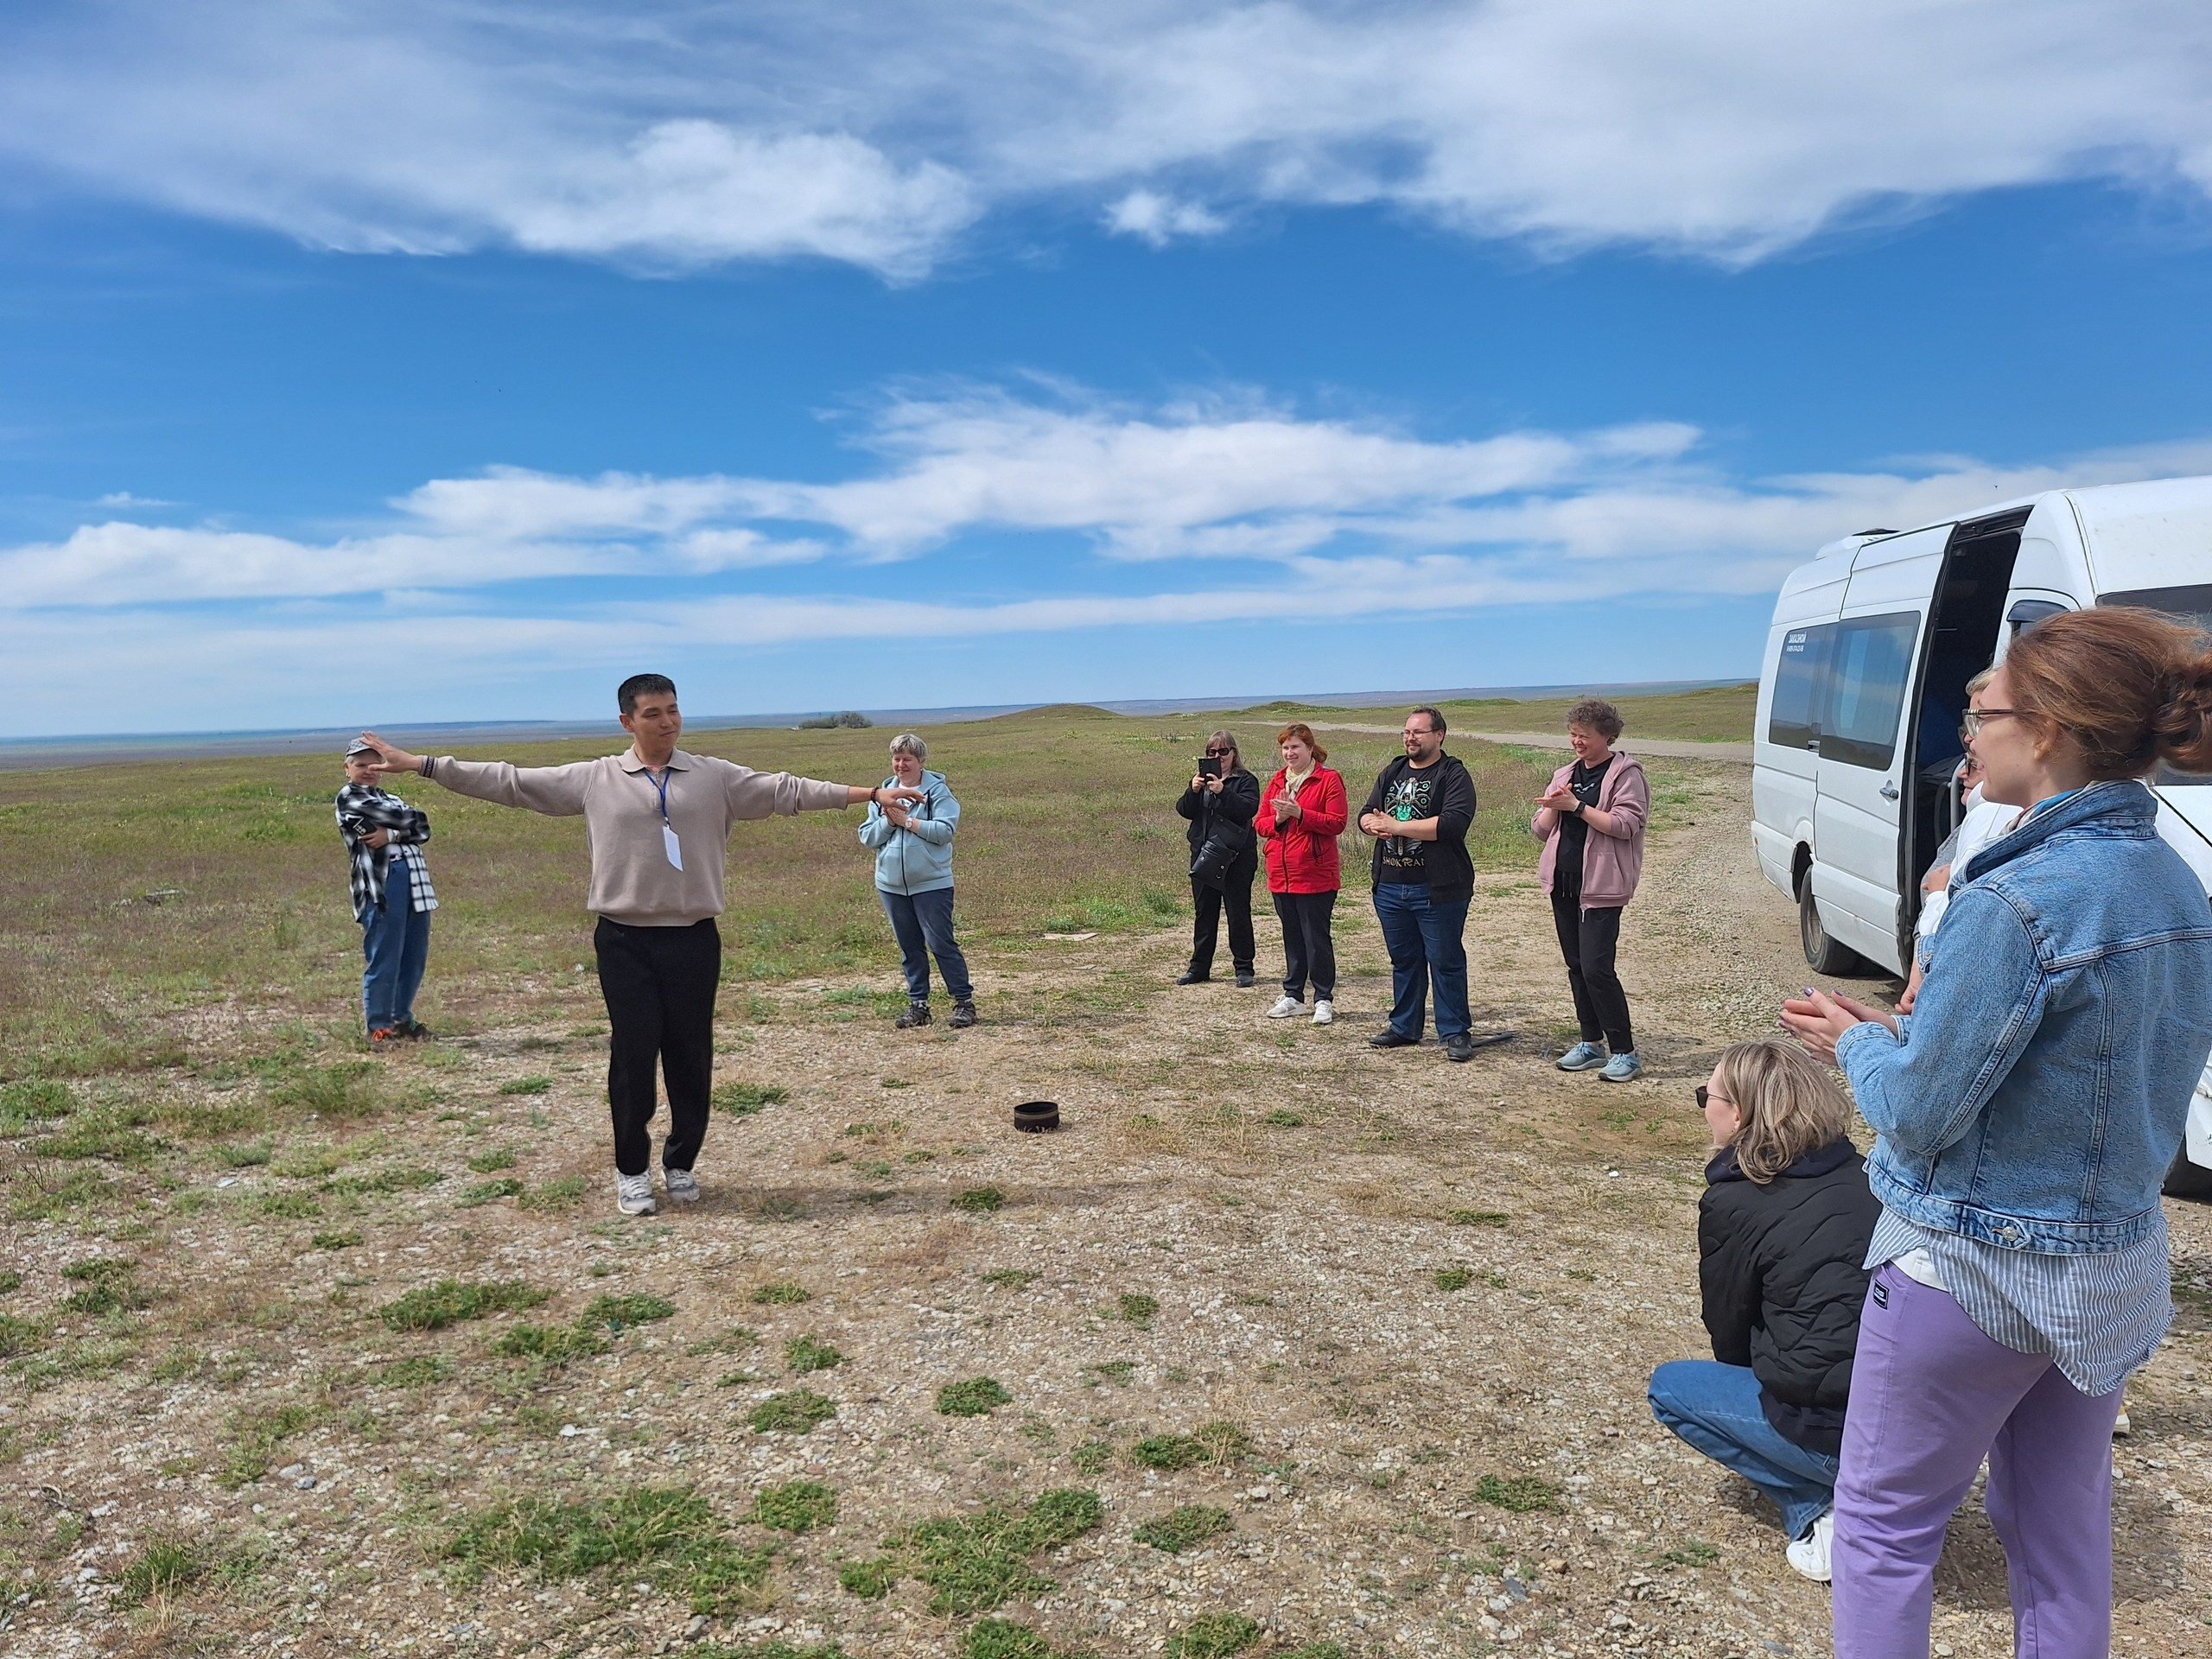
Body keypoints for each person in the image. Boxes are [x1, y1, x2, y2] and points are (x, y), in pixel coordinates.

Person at [1780, 608, 2212, 1658]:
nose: (1964, 739)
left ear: (2051, 726)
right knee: (2061, 1536)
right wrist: (1906, 1036)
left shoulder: (2011, 897)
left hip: (1963, 1274)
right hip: (2108, 1268)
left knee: (1883, 1534)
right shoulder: (2175, 884)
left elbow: (1921, 1112)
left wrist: (1860, 1048)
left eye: (1981, 713)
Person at [358, 674, 920, 1218]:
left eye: (673, 709)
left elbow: (786, 791)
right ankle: (632, 1172)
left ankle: (681, 1163)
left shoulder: (713, 777)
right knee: (632, 1057)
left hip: (694, 939)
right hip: (624, 940)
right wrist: (425, 765)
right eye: (653, 713)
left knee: (690, 1054)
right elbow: (511, 781)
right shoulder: (597, 778)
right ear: (628, 720)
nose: (667, 721)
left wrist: (870, 793)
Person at [1647, 1039, 1878, 1585]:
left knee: (1670, 1389)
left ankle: (1820, 1507)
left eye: (1707, 1094)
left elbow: (1727, 1333)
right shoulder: (1868, 1175)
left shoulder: (1737, 1199)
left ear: (1741, 1112)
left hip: (1841, 1438)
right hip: (1922, 1429)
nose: (1705, 1105)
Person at [1531, 698, 1649, 1082]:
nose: (1576, 742)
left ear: (1607, 736)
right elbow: (1540, 829)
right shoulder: (1564, 772)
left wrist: (1577, 806)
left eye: (1584, 735)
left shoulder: (1626, 774)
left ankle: (1625, 1052)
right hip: (1563, 883)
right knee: (1577, 967)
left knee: (1598, 968)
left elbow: (1625, 825)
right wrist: (1553, 806)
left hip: (1601, 887)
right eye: (1573, 734)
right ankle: (1590, 1043)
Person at [1357, 706, 1480, 1060]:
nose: (1410, 738)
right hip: (1392, 885)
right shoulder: (1393, 771)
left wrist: (1397, 827)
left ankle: (1455, 1032)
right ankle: (1404, 1027)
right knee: (1404, 960)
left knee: (1445, 959)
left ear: (1439, 735)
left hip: (1437, 887)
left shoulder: (1452, 774)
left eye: (1418, 732)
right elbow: (1366, 811)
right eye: (1406, 732)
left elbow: (1453, 824)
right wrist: (1371, 825)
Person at [859, 733, 976, 1031]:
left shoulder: (938, 792)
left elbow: (945, 831)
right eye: (896, 759)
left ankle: (964, 1003)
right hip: (891, 885)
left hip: (931, 883)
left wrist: (908, 822)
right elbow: (867, 837)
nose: (901, 765)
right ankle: (918, 1006)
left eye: (907, 759)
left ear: (921, 762)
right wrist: (888, 821)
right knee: (909, 946)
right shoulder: (882, 794)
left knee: (940, 943)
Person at [335, 737, 438, 1044]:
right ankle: (378, 1026)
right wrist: (404, 828)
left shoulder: (391, 798)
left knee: (413, 954)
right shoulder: (348, 798)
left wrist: (391, 834)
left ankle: (401, 1019)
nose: (368, 770)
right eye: (360, 764)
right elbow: (409, 821)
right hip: (381, 883)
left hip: (415, 882)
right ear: (347, 768)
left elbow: (423, 825)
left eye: (373, 764)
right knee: (385, 955)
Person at [1255, 722, 1349, 1025]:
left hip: (1315, 873)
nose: (1289, 753)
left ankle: (1323, 998)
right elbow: (1260, 824)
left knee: (1315, 938)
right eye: (1285, 747)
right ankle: (1293, 995)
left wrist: (1301, 814)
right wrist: (1280, 820)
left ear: (1310, 749)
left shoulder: (1328, 779)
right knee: (1292, 936)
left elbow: (1337, 822)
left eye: (1295, 747)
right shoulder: (1277, 781)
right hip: (1281, 873)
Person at [1176, 730, 1260, 988]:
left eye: (1224, 751)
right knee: (1204, 912)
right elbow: (1184, 810)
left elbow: (1247, 809)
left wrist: (1223, 791)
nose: (1218, 757)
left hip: (1236, 857)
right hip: (1204, 855)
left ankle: (1244, 968)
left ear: (1234, 753)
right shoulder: (1200, 781)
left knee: (1238, 912)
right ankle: (1199, 967)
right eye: (1212, 752)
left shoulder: (1245, 780)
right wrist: (1193, 791)